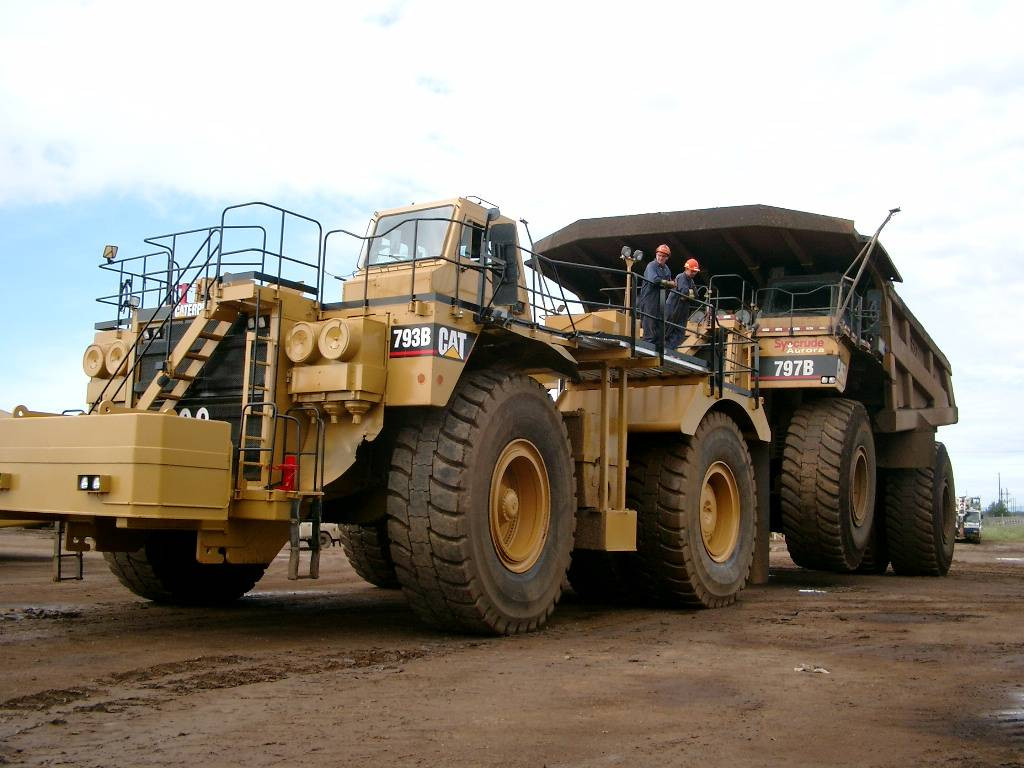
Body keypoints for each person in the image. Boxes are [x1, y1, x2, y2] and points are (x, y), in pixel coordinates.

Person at [639, 244, 674, 344]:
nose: (660, 258)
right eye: (659, 255)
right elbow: (654, 280)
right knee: (650, 324)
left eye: (663, 256)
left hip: (661, 300)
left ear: (667, 257)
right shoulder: (651, 265)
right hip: (649, 299)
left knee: (659, 325)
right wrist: (668, 283)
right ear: (656, 254)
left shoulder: (667, 269)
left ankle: (658, 347)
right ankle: (648, 346)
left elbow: (668, 281)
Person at [665, 257, 701, 348]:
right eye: (692, 271)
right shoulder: (681, 277)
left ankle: (671, 350)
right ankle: (666, 350)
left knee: (680, 332)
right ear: (686, 269)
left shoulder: (690, 280)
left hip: (682, 310)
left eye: (695, 271)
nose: (693, 273)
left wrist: (689, 295)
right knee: (668, 329)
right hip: (673, 308)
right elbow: (684, 292)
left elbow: (696, 296)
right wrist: (689, 294)